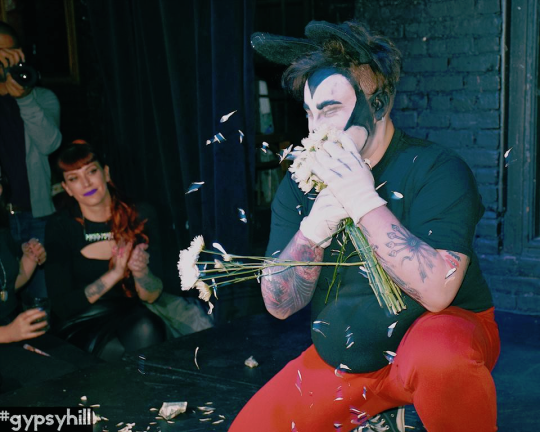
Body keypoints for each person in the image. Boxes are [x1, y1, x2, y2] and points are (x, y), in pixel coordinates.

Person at [231, 20, 500, 432]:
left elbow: (438, 291)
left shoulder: (437, 169)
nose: (315, 130)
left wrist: (362, 201)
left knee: (438, 355)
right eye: (309, 113)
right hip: (348, 362)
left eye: (330, 110)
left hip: (437, 343)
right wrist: (314, 228)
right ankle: (385, 415)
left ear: (379, 105)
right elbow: (279, 305)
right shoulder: (300, 184)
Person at [45, 143, 166, 361]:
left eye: (91, 171)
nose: (86, 183)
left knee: (147, 328)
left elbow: (153, 294)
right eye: (74, 178)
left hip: (128, 313)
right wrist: (114, 274)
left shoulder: (140, 214)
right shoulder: (60, 226)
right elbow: (62, 306)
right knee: (115, 350)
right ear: (67, 188)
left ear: (106, 173)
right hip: (79, 319)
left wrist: (140, 272)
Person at [0, 21, 62, 298]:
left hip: (35, 216)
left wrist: (24, 97)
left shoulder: (42, 98)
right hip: (0, 222)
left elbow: (50, 143)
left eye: (8, 52)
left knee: (41, 301)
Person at [0, 183, 48, 343]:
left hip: (11, 323)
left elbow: (8, 287)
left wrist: (30, 259)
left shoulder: (3, 234)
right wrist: (7, 333)